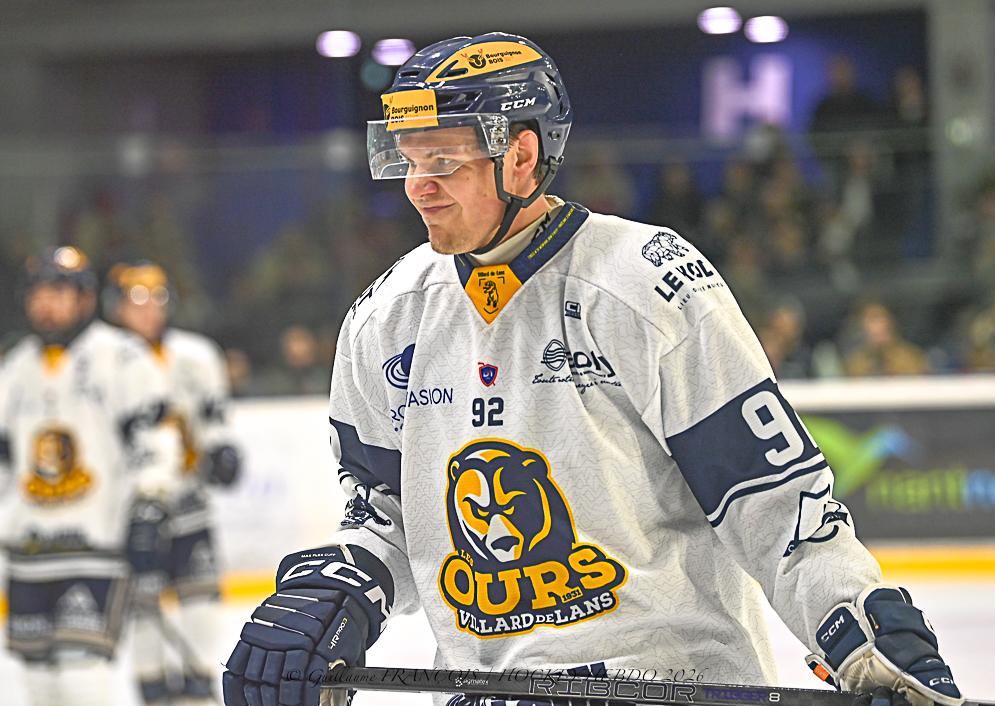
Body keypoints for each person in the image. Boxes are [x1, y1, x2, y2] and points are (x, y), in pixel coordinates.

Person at [222, 33, 963, 706]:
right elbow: (384, 516)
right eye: (408, 160)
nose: (418, 185)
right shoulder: (386, 318)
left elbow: (771, 501)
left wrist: (857, 629)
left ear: (520, 157)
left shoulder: (646, 282)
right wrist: (341, 588)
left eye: (442, 161)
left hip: (669, 691)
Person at [0, 246, 181, 706]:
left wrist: (149, 504)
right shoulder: (15, 368)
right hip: (28, 553)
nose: (45, 304)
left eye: (58, 292)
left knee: (81, 679)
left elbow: (154, 440)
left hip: (97, 546)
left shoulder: (122, 357)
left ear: (84, 298)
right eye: (38, 293)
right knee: (38, 684)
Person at [104, 260, 243, 705]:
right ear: (116, 306)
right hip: (131, 510)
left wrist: (221, 450)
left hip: (189, 504)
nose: (148, 309)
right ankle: (152, 687)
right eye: (136, 300)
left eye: (157, 298)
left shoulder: (197, 355)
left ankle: (198, 680)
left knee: (201, 599)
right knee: (144, 608)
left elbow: (213, 417)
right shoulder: (103, 361)